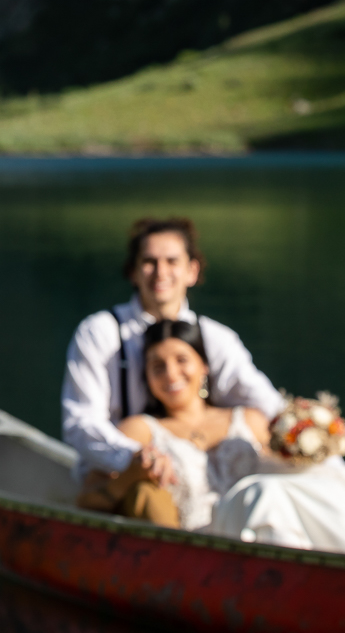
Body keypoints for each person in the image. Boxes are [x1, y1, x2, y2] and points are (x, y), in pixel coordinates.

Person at [89, 320, 345, 562]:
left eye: (181, 360)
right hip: (205, 541)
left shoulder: (247, 418)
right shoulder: (141, 430)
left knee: (319, 479)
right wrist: (134, 472)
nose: (170, 374)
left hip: (264, 524)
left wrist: (310, 442)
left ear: (204, 366)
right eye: (156, 366)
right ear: (146, 378)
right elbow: (88, 497)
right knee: (263, 493)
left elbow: (287, 470)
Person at [62, 217, 284, 510]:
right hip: (118, 477)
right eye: (149, 262)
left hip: (207, 477)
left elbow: (260, 398)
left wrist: (308, 432)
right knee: (149, 498)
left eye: (172, 261)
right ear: (133, 272)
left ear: (192, 271)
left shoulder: (214, 337)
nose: (161, 272)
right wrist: (133, 456)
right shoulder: (100, 333)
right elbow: (80, 422)